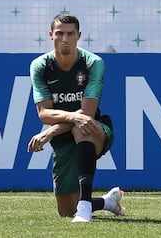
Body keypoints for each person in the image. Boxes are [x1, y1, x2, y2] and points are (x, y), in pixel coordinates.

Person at [27, 13, 124, 223]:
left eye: (70, 34)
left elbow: (87, 113)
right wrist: (59, 125)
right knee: (66, 210)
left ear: (79, 36)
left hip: (94, 130)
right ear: (50, 35)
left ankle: (85, 209)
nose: (65, 38)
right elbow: (44, 113)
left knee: (81, 126)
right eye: (60, 33)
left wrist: (49, 132)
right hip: (63, 139)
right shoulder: (40, 66)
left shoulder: (93, 63)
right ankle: (107, 202)